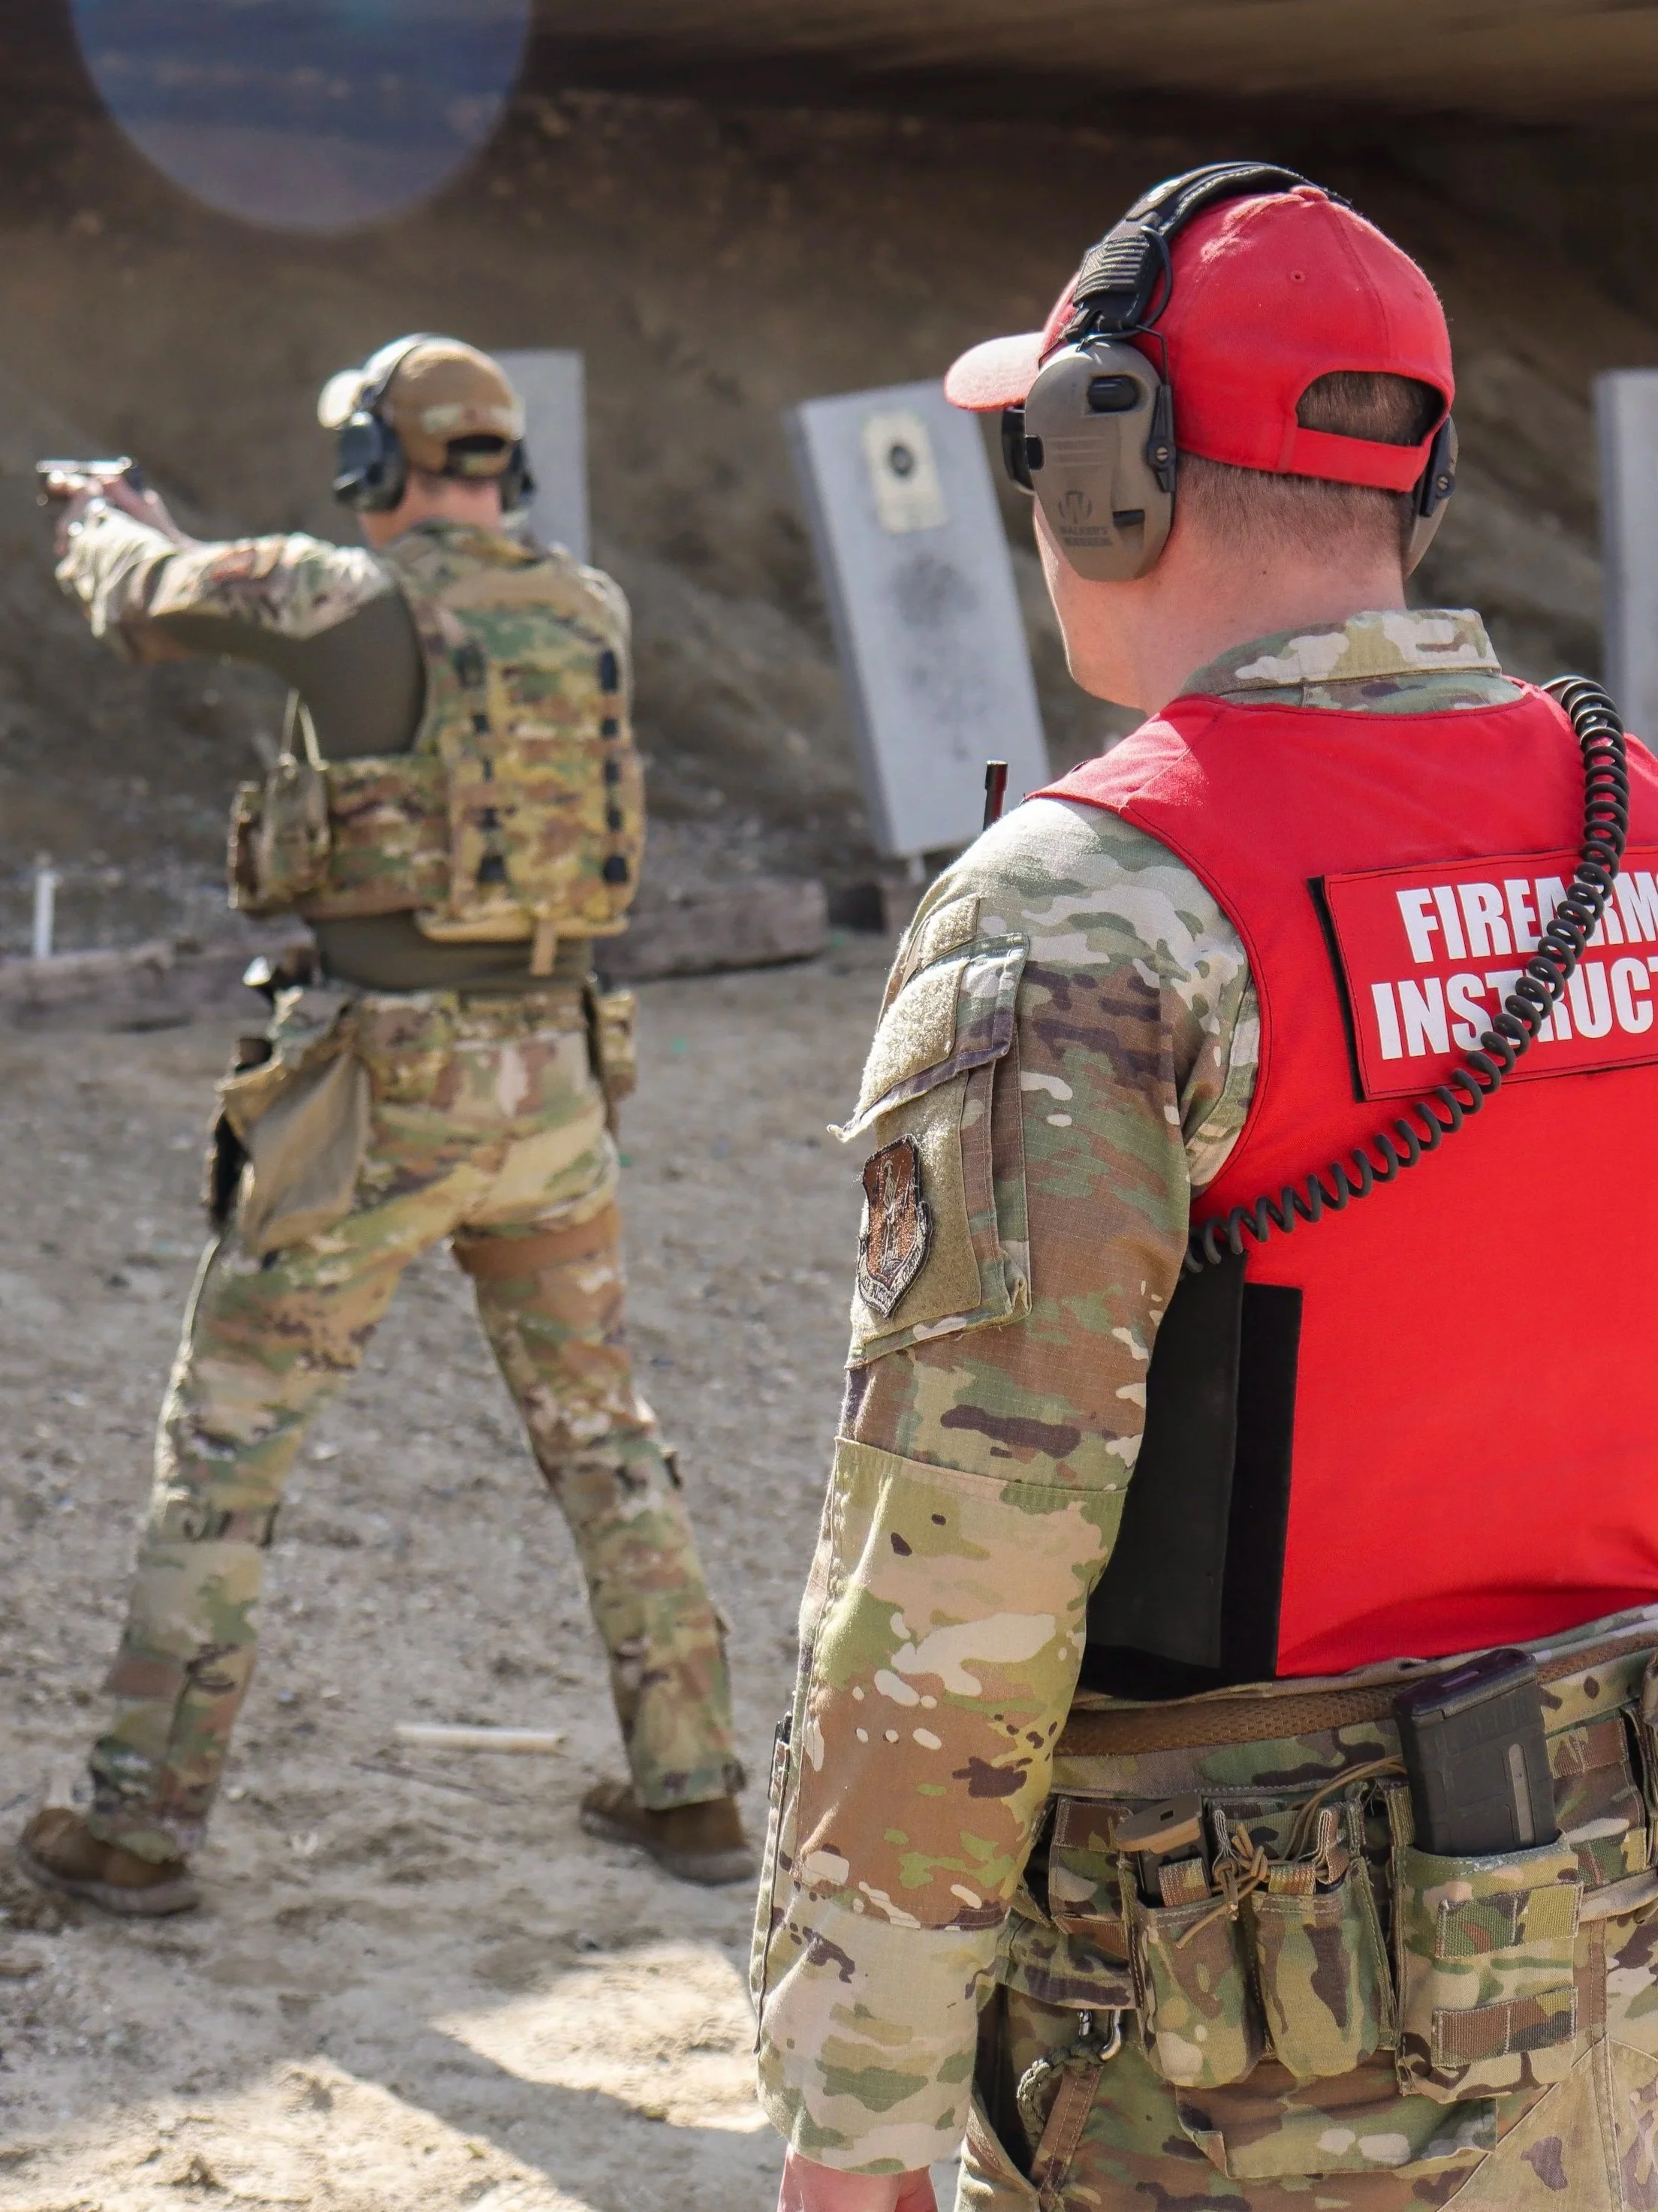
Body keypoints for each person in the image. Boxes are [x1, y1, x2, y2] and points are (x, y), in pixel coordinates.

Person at [753, 167, 1658, 2211]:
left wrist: (861, 2112)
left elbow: (952, 1595)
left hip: (1231, 2047)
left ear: (1107, 475)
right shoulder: (1643, 828)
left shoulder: (1091, 908)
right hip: (1615, 1982)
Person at [19, 335, 752, 1914]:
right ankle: (693, 1785)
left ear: (371, 464)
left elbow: (144, 601)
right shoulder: (591, 604)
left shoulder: (340, 592)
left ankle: (140, 1825)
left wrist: (98, 515)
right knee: (605, 1440)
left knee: (223, 1450)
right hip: (556, 1073)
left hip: (378, 1088)